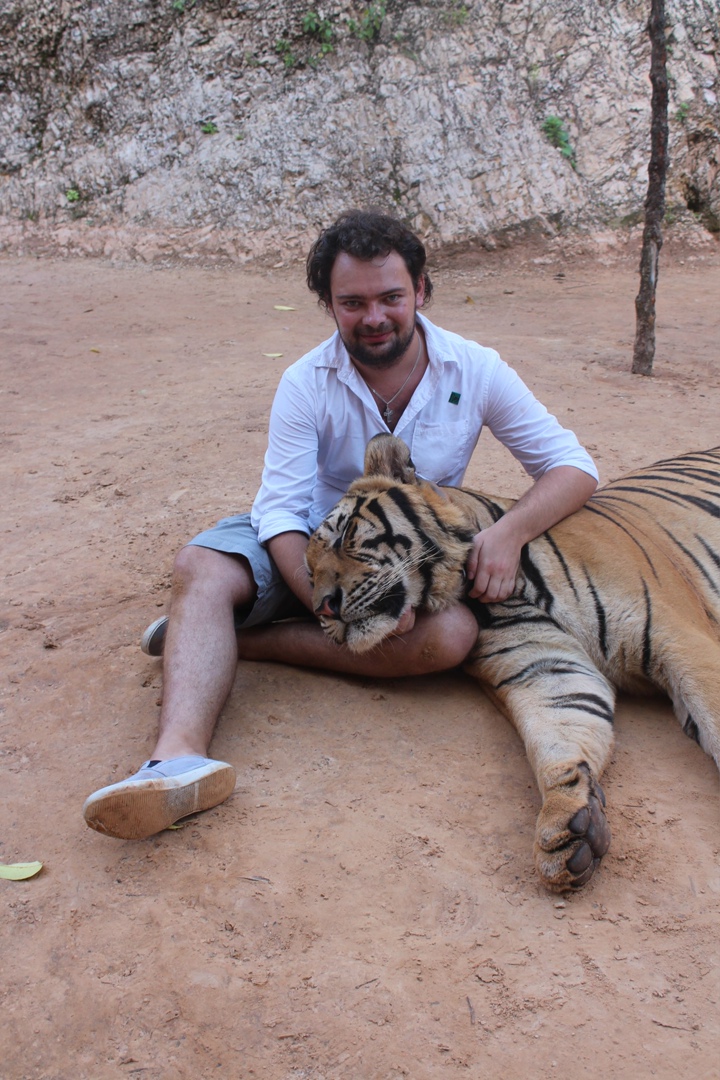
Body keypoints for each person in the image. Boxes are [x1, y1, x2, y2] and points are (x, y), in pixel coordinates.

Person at [83, 209, 598, 841]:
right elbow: (278, 511)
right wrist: (333, 610)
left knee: (450, 638)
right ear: (329, 305)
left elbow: (572, 466)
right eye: (353, 302)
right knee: (201, 567)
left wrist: (508, 533)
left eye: (391, 297)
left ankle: (223, 638)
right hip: (310, 545)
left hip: (404, 560)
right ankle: (176, 760)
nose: (374, 317)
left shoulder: (477, 369)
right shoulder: (306, 381)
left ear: (422, 291)